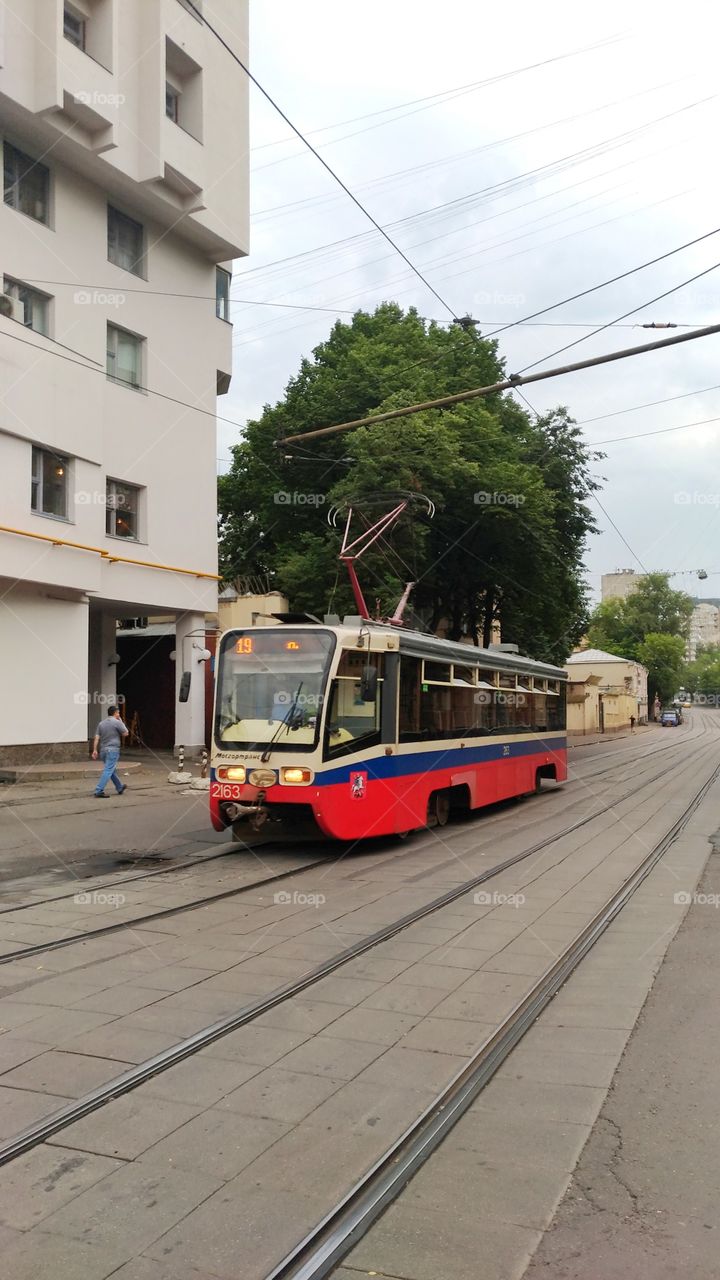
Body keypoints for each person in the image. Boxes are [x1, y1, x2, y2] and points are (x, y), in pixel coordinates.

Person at [92, 706, 129, 798]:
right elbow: (126, 733)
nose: (119, 715)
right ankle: (99, 790)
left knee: (110, 770)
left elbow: (97, 737)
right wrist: (121, 722)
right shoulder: (117, 722)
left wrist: (95, 750)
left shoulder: (101, 723)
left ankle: (119, 787)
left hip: (103, 750)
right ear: (115, 713)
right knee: (108, 770)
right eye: (118, 713)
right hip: (113, 750)